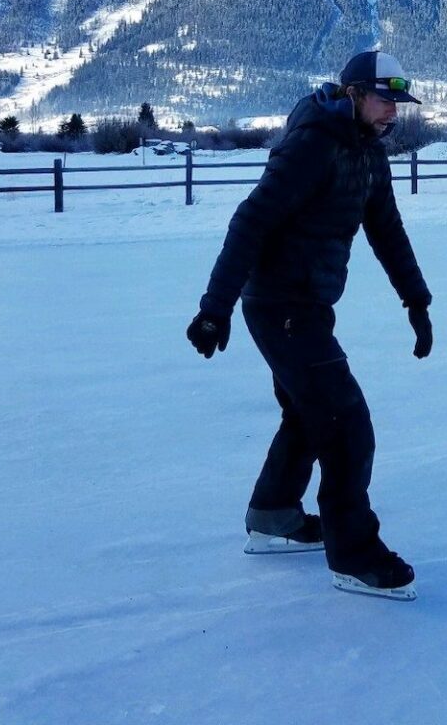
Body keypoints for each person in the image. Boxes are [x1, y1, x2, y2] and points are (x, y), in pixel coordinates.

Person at [186, 50, 434, 600]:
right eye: (384, 99)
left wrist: (416, 301)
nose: (393, 112)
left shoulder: (367, 153)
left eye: (398, 102)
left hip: (309, 305)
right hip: (281, 305)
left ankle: (274, 516)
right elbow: (251, 218)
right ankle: (355, 555)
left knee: (308, 413)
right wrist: (214, 307)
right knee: (347, 424)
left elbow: (387, 231)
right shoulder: (314, 144)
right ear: (353, 94)